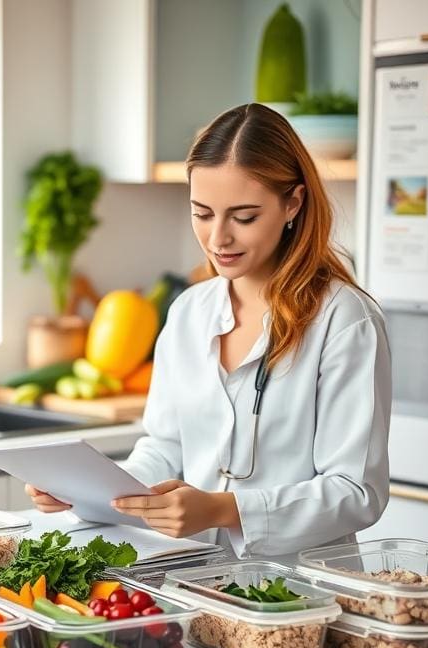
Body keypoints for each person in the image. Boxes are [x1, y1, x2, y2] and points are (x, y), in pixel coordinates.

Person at [26, 103, 392, 559]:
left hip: (299, 596)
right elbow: (164, 447)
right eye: (202, 213)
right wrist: (91, 493)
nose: (218, 238)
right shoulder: (188, 312)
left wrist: (225, 510)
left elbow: (356, 491)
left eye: (243, 217)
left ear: (293, 203)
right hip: (195, 581)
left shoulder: (344, 320)